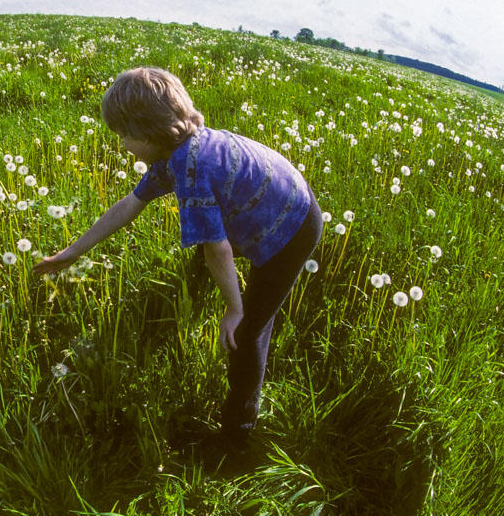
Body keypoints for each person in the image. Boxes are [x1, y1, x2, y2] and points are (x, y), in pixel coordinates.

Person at [33, 67, 322, 450]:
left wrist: (234, 310)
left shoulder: (192, 169)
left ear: (150, 133)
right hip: (277, 200)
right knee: (209, 252)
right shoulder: (177, 152)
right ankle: (210, 298)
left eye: (124, 135)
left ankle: (238, 436)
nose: (121, 145)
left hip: (290, 229)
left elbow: (216, 249)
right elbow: (130, 205)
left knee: (247, 333)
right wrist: (71, 253)